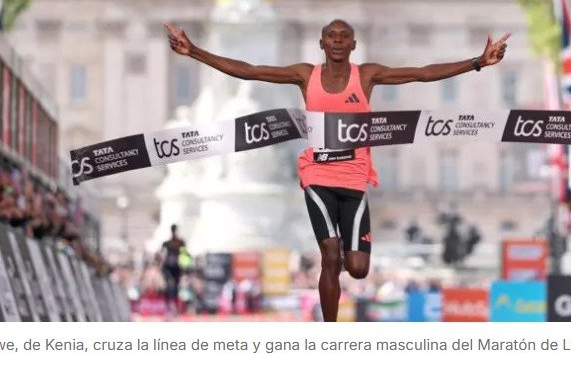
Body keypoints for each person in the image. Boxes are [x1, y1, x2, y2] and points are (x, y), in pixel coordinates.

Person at [164, 18, 510, 321]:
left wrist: (478, 62)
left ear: (354, 44)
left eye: (345, 36)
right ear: (322, 43)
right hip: (317, 174)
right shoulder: (305, 75)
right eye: (332, 36)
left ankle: (343, 253)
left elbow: (421, 74)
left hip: (355, 176)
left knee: (357, 269)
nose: (339, 40)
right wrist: (194, 51)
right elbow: (249, 70)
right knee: (330, 255)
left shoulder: (368, 75)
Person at [159, 224, 187, 318]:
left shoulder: (180, 242)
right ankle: (168, 306)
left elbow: (185, 255)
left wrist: (184, 267)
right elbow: (161, 255)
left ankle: (174, 306)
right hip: (168, 268)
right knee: (168, 286)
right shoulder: (167, 243)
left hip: (176, 268)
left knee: (176, 287)